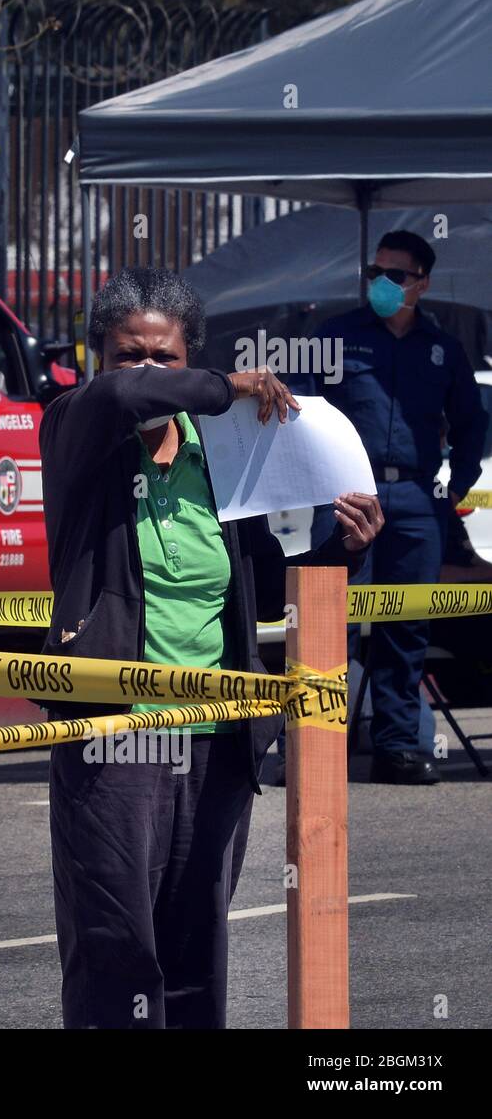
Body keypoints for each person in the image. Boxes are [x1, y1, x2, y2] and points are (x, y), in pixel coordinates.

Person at [37, 267, 382, 1029]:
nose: (149, 373)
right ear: (98, 359)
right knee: (116, 947)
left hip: (216, 737)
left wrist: (340, 552)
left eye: (167, 357)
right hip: (115, 736)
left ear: (191, 357)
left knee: (197, 949)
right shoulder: (77, 430)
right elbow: (126, 399)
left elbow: (263, 580)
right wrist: (220, 384)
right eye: (131, 355)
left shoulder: (220, 457)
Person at [304, 231, 488, 784]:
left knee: (405, 629)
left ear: (422, 283)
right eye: (374, 272)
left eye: (397, 275)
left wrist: (460, 484)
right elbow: (304, 407)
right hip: (346, 496)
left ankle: (397, 748)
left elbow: (473, 421)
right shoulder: (336, 337)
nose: (382, 284)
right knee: (334, 623)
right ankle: (319, 747)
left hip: (415, 499)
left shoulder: (443, 346)